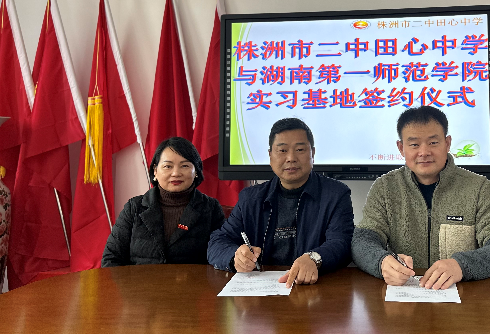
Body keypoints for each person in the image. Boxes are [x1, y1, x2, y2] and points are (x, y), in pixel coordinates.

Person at [352, 106, 490, 289]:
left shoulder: (478, 188)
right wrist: (382, 261)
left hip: (465, 299)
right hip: (404, 296)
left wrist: (462, 265)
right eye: (414, 144)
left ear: (447, 143)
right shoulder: (385, 188)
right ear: (401, 148)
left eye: (433, 142)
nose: (424, 152)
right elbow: (362, 240)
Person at [207, 117, 354, 287]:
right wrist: (235, 257)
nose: (291, 158)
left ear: (312, 153)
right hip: (262, 291)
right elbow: (218, 241)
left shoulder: (336, 195)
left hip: (314, 288)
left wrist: (315, 258)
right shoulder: (251, 198)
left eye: (300, 149)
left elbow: (342, 243)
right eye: (282, 150)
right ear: (270, 155)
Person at [102, 137, 225, 266]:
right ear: (155, 171)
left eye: (184, 166)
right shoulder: (134, 207)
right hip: (141, 280)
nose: (176, 173)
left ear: (196, 172)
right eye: (168, 166)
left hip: (193, 280)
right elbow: (111, 259)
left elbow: (221, 255)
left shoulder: (211, 208)